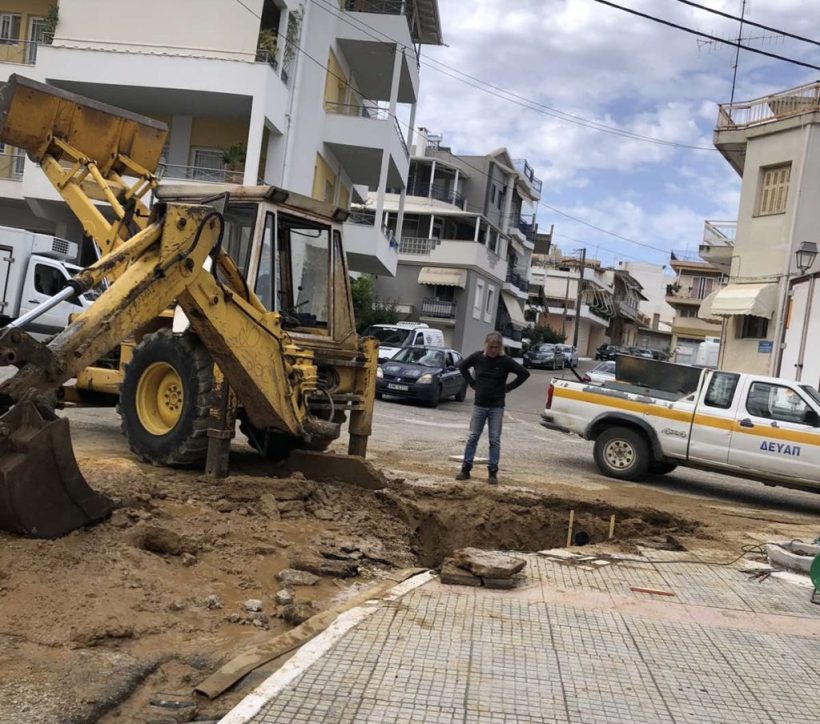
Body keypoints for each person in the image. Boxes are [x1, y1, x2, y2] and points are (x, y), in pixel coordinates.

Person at [456, 331, 530, 484]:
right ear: (486, 345)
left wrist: (509, 387)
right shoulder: (477, 358)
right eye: (490, 347)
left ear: (500, 347)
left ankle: (492, 472)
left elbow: (524, 373)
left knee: (494, 439)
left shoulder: (505, 361)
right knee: (472, 437)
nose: (493, 350)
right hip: (479, 405)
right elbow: (462, 366)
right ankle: (465, 468)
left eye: (496, 347)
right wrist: (471, 382)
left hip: (496, 406)